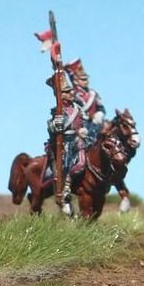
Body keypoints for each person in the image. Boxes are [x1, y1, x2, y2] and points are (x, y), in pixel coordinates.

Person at [45, 76, 88, 214]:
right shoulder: (57, 111)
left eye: (70, 91)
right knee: (66, 163)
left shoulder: (77, 108)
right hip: (64, 143)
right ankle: (66, 187)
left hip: (79, 139)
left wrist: (84, 130)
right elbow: (51, 128)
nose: (71, 93)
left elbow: (83, 123)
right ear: (61, 95)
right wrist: (55, 125)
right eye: (67, 92)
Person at [65, 59, 106, 136]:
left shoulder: (93, 93)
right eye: (83, 80)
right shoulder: (73, 95)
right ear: (76, 81)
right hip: (82, 127)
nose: (86, 82)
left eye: (86, 79)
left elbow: (101, 108)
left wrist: (99, 114)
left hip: (97, 124)